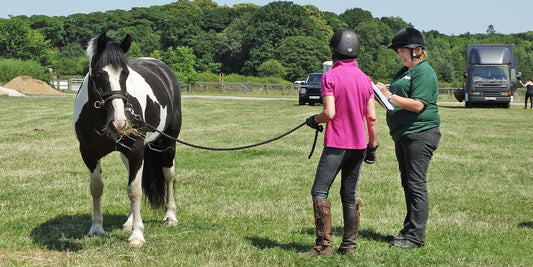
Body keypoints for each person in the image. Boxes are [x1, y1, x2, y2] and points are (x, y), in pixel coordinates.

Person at [301, 29, 378, 257]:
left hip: (337, 144)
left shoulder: (330, 77)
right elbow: (372, 118)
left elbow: (330, 112)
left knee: (320, 191)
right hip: (359, 145)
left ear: (334, 51)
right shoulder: (365, 80)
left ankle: (323, 247)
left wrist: (314, 120)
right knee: (349, 193)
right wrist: (372, 148)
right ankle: (349, 246)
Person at [375, 28, 441, 249]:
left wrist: (389, 95)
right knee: (408, 184)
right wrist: (382, 92)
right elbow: (397, 98)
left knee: (415, 184)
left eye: (403, 50)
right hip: (404, 134)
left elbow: (418, 105)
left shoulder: (424, 72)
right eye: (398, 51)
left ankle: (415, 237)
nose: (400, 55)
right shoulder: (405, 71)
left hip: (420, 134)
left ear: (417, 50)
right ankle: (408, 231)